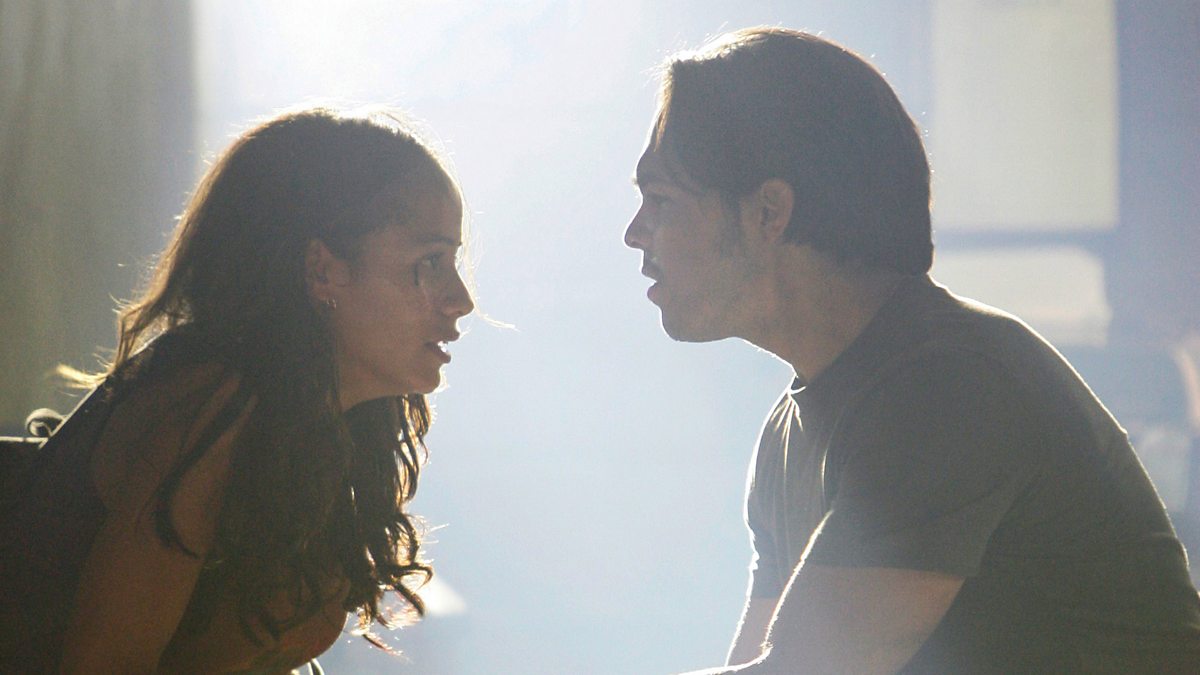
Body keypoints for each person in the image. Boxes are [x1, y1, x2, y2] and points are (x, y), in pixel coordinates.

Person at [624, 27, 1200, 673]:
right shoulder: (789, 436)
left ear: (768, 212)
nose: (634, 233)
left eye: (660, 200)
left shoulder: (946, 389)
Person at [0, 106, 474, 672]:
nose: (461, 299)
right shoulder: (212, 407)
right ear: (323, 270)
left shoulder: (321, 427)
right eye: (430, 262)